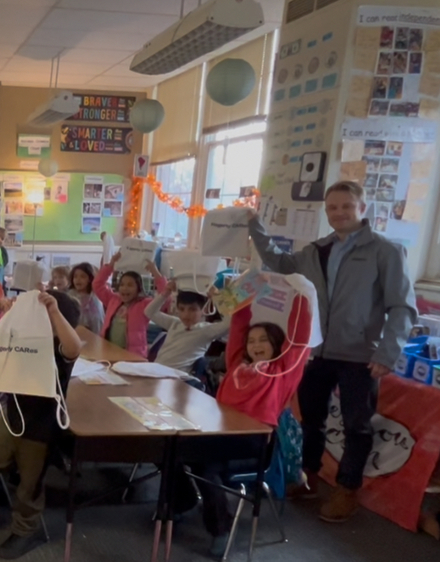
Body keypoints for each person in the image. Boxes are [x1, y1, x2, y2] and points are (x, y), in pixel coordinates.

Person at [248, 181, 416, 522]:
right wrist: (254, 226)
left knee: (357, 427)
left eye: (346, 206)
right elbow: (280, 263)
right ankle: (307, 477)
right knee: (311, 421)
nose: (339, 213)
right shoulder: (316, 250)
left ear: (362, 208)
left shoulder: (385, 251)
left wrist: (387, 353)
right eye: (332, 208)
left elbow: (402, 307)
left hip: (361, 355)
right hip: (317, 351)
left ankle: (347, 490)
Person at [179, 289, 313, 558]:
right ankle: (182, 501)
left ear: (276, 345)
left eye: (263, 340)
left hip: (253, 444)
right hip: (219, 435)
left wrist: (300, 293)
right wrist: (247, 291)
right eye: (251, 341)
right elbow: (239, 323)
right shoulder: (237, 366)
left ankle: (220, 528)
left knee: (205, 466)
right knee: (171, 448)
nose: (255, 345)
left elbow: (299, 339)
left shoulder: (282, 372)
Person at [0, 290, 82, 559]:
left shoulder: (57, 348)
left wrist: (54, 311)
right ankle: (21, 469)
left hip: (41, 427)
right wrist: (10, 314)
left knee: (29, 486)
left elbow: (74, 348)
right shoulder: (23, 339)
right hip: (13, 416)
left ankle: (26, 529)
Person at [144, 281, 230, 372]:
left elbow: (230, 322)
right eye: (181, 309)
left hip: (177, 376)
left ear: (203, 310)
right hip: (156, 370)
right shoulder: (175, 323)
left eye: (193, 309)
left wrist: (218, 298)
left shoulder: (206, 330)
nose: (186, 315)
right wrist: (166, 292)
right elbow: (149, 312)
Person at [92, 252, 166, 357]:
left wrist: (155, 273)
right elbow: (97, 284)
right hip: (108, 350)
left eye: (130, 285)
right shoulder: (113, 300)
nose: (125, 288)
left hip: (133, 355)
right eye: (122, 284)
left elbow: (164, 297)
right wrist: (111, 264)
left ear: (138, 288)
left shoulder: (144, 305)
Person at [67, 263, 105, 333]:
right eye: (75, 276)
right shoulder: (69, 296)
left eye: (83, 277)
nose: (78, 280)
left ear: (89, 279)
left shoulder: (94, 298)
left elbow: (97, 321)